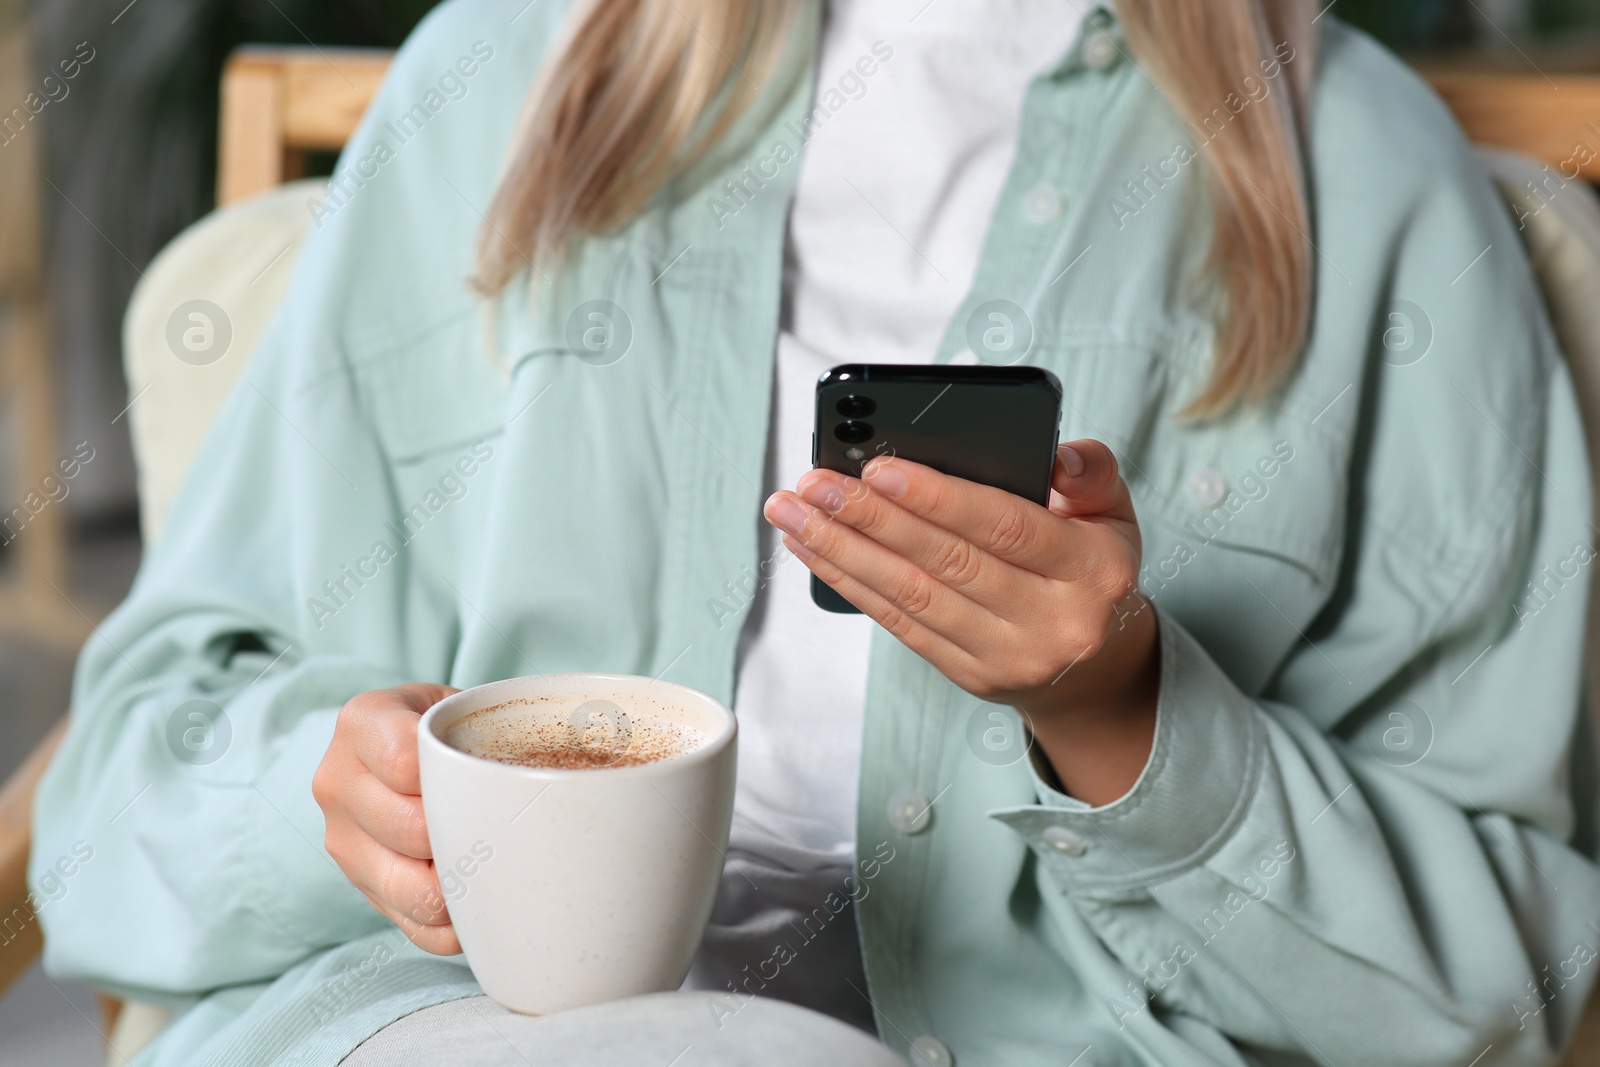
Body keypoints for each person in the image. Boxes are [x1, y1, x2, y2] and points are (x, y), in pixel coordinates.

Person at [31, 0, 1600, 1064]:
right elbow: (116, 792)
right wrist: (339, 798)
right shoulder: (504, 81)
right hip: (453, 1015)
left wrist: (1125, 715)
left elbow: (1498, 990)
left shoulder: (1362, 181)